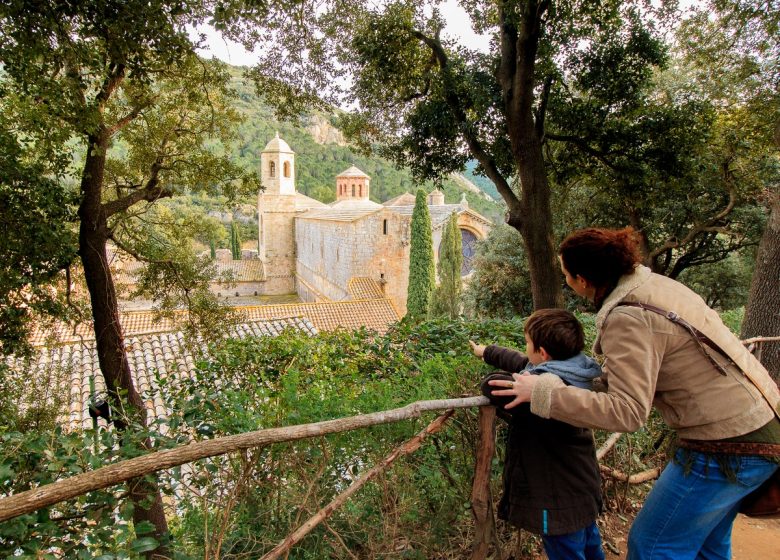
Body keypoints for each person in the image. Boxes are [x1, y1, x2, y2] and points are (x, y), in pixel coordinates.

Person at [488, 227, 780, 559]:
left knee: (652, 546)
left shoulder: (628, 315)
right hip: (761, 423)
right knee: (707, 547)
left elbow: (627, 411)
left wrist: (543, 392)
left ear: (583, 280)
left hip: (727, 443)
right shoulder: (656, 286)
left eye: (566, 273)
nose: (566, 279)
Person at [471, 308, 606, 560]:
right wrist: (486, 351)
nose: (526, 349)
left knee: (567, 553)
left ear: (542, 353)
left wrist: (521, 375)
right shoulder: (576, 374)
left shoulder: (536, 394)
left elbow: (491, 385)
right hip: (583, 488)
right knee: (590, 546)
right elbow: (525, 364)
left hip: (555, 500)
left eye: (528, 343)